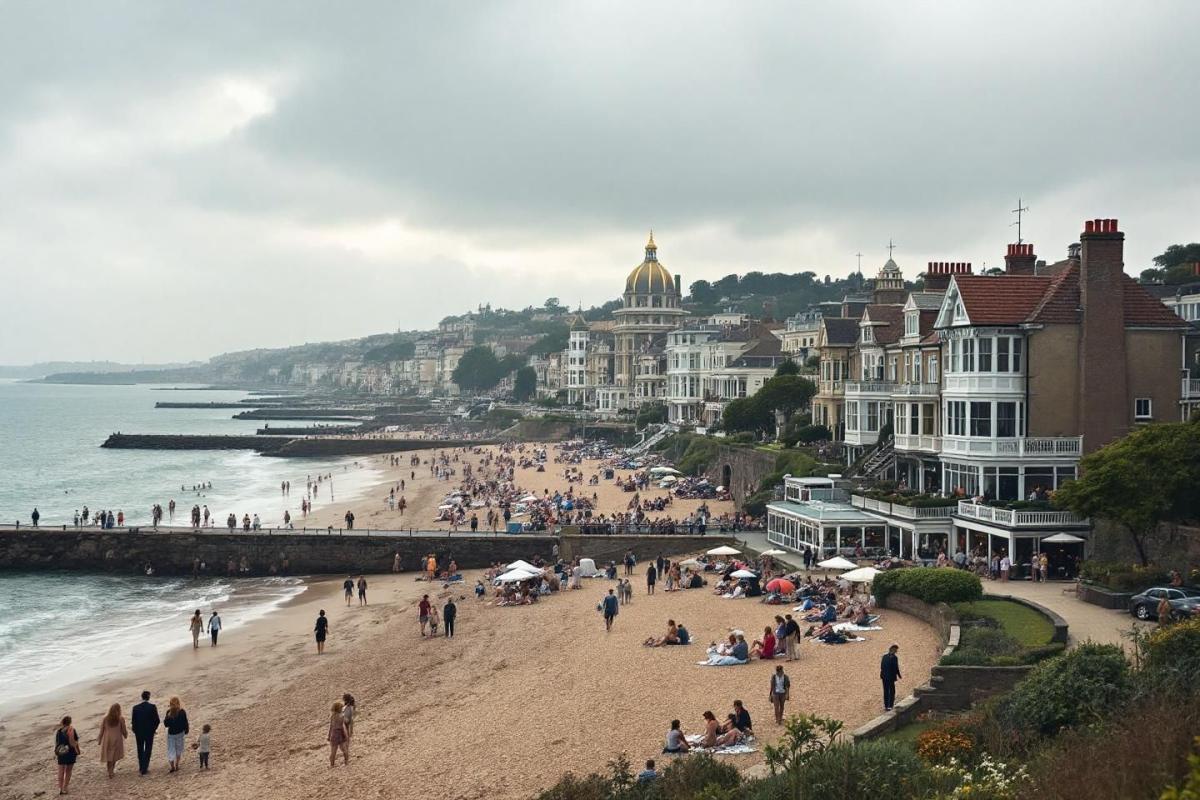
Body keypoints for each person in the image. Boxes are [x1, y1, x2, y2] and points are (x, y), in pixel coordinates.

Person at [131, 690, 160, 775]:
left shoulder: (135, 708)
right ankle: (145, 767)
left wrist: (135, 730)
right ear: (148, 697)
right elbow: (157, 720)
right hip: (149, 732)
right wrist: (153, 729)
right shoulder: (152, 707)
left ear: (142, 697)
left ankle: (141, 767)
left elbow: (133, 721)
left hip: (139, 732)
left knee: (140, 749)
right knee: (148, 748)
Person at [97, 703, 127, 778]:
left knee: (109, 756)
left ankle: (109, 771)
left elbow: (102, 730)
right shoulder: (120, 718)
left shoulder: (105, 718)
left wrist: (100, 739)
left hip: (107, 740)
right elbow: (123, 729)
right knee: (115, 756)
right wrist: (125, 735)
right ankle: (112, 770)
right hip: (117, 739)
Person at [55, 715, 80, 795]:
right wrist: (78, 750)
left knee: (60, 771)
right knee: (68, 771)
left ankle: (60, 788)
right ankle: (65, 788)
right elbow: (75, 743)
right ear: (70, 722)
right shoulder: (72, 730)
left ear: (63, 722)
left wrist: (56, 751)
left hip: (61, 752)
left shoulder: (59, 731)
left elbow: (57, 743)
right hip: (70, 752)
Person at [163, 696, 189, 772]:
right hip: (180, 733)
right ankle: (177, 764)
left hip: (171, 735)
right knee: (178, 749)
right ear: (178, 703)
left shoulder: (168, 712)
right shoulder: (182, 712)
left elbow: (166, 724)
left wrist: (167, 717)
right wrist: (186, 731)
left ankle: (172, 767)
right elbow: (185, 723)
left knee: (171, 750)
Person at [881, 643, 902, 711]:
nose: (896, 651)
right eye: (896, 650)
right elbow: (896, 668)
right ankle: (890, 705)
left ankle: (886, 706)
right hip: (890, 677)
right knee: (892, 691)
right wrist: (899, 675)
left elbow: (881, 666)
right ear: (893, 649)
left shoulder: (884, 656)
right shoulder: (895, 658)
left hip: (884, 677)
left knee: (886, 691)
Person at [328, 701, 349, 767]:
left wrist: (329, 736)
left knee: (333, 751)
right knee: (344, 749)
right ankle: (346, 762)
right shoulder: (341, 716)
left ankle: (332, 765)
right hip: (340, 733)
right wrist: (346, 735)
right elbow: (343, 726)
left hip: (334, 734)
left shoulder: (332, 716)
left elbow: (331, 727)